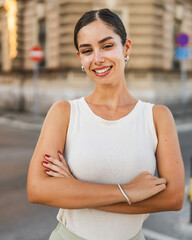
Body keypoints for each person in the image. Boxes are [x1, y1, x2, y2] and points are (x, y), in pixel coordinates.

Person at [27, 8, 185, 240]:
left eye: (107, 45)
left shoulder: (157, 117)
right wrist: (128, 191)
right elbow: (38, 190)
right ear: (80, 57)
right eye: (87, 50)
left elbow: (173, 198)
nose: (97, 58)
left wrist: (74, 189)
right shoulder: (64, 113)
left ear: (126, 47)